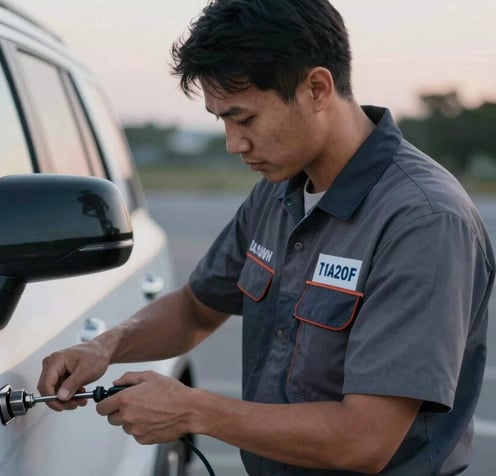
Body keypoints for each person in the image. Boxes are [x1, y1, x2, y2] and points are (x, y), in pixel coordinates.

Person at [37, 0, 494, 474]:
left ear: (317, 88)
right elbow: (197, 307)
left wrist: (194, 410)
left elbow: (365, 440)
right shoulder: (278, 192)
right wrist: (104, 347)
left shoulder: (423, 221)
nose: (234, 143)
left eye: (245, 119)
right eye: (222, 121)